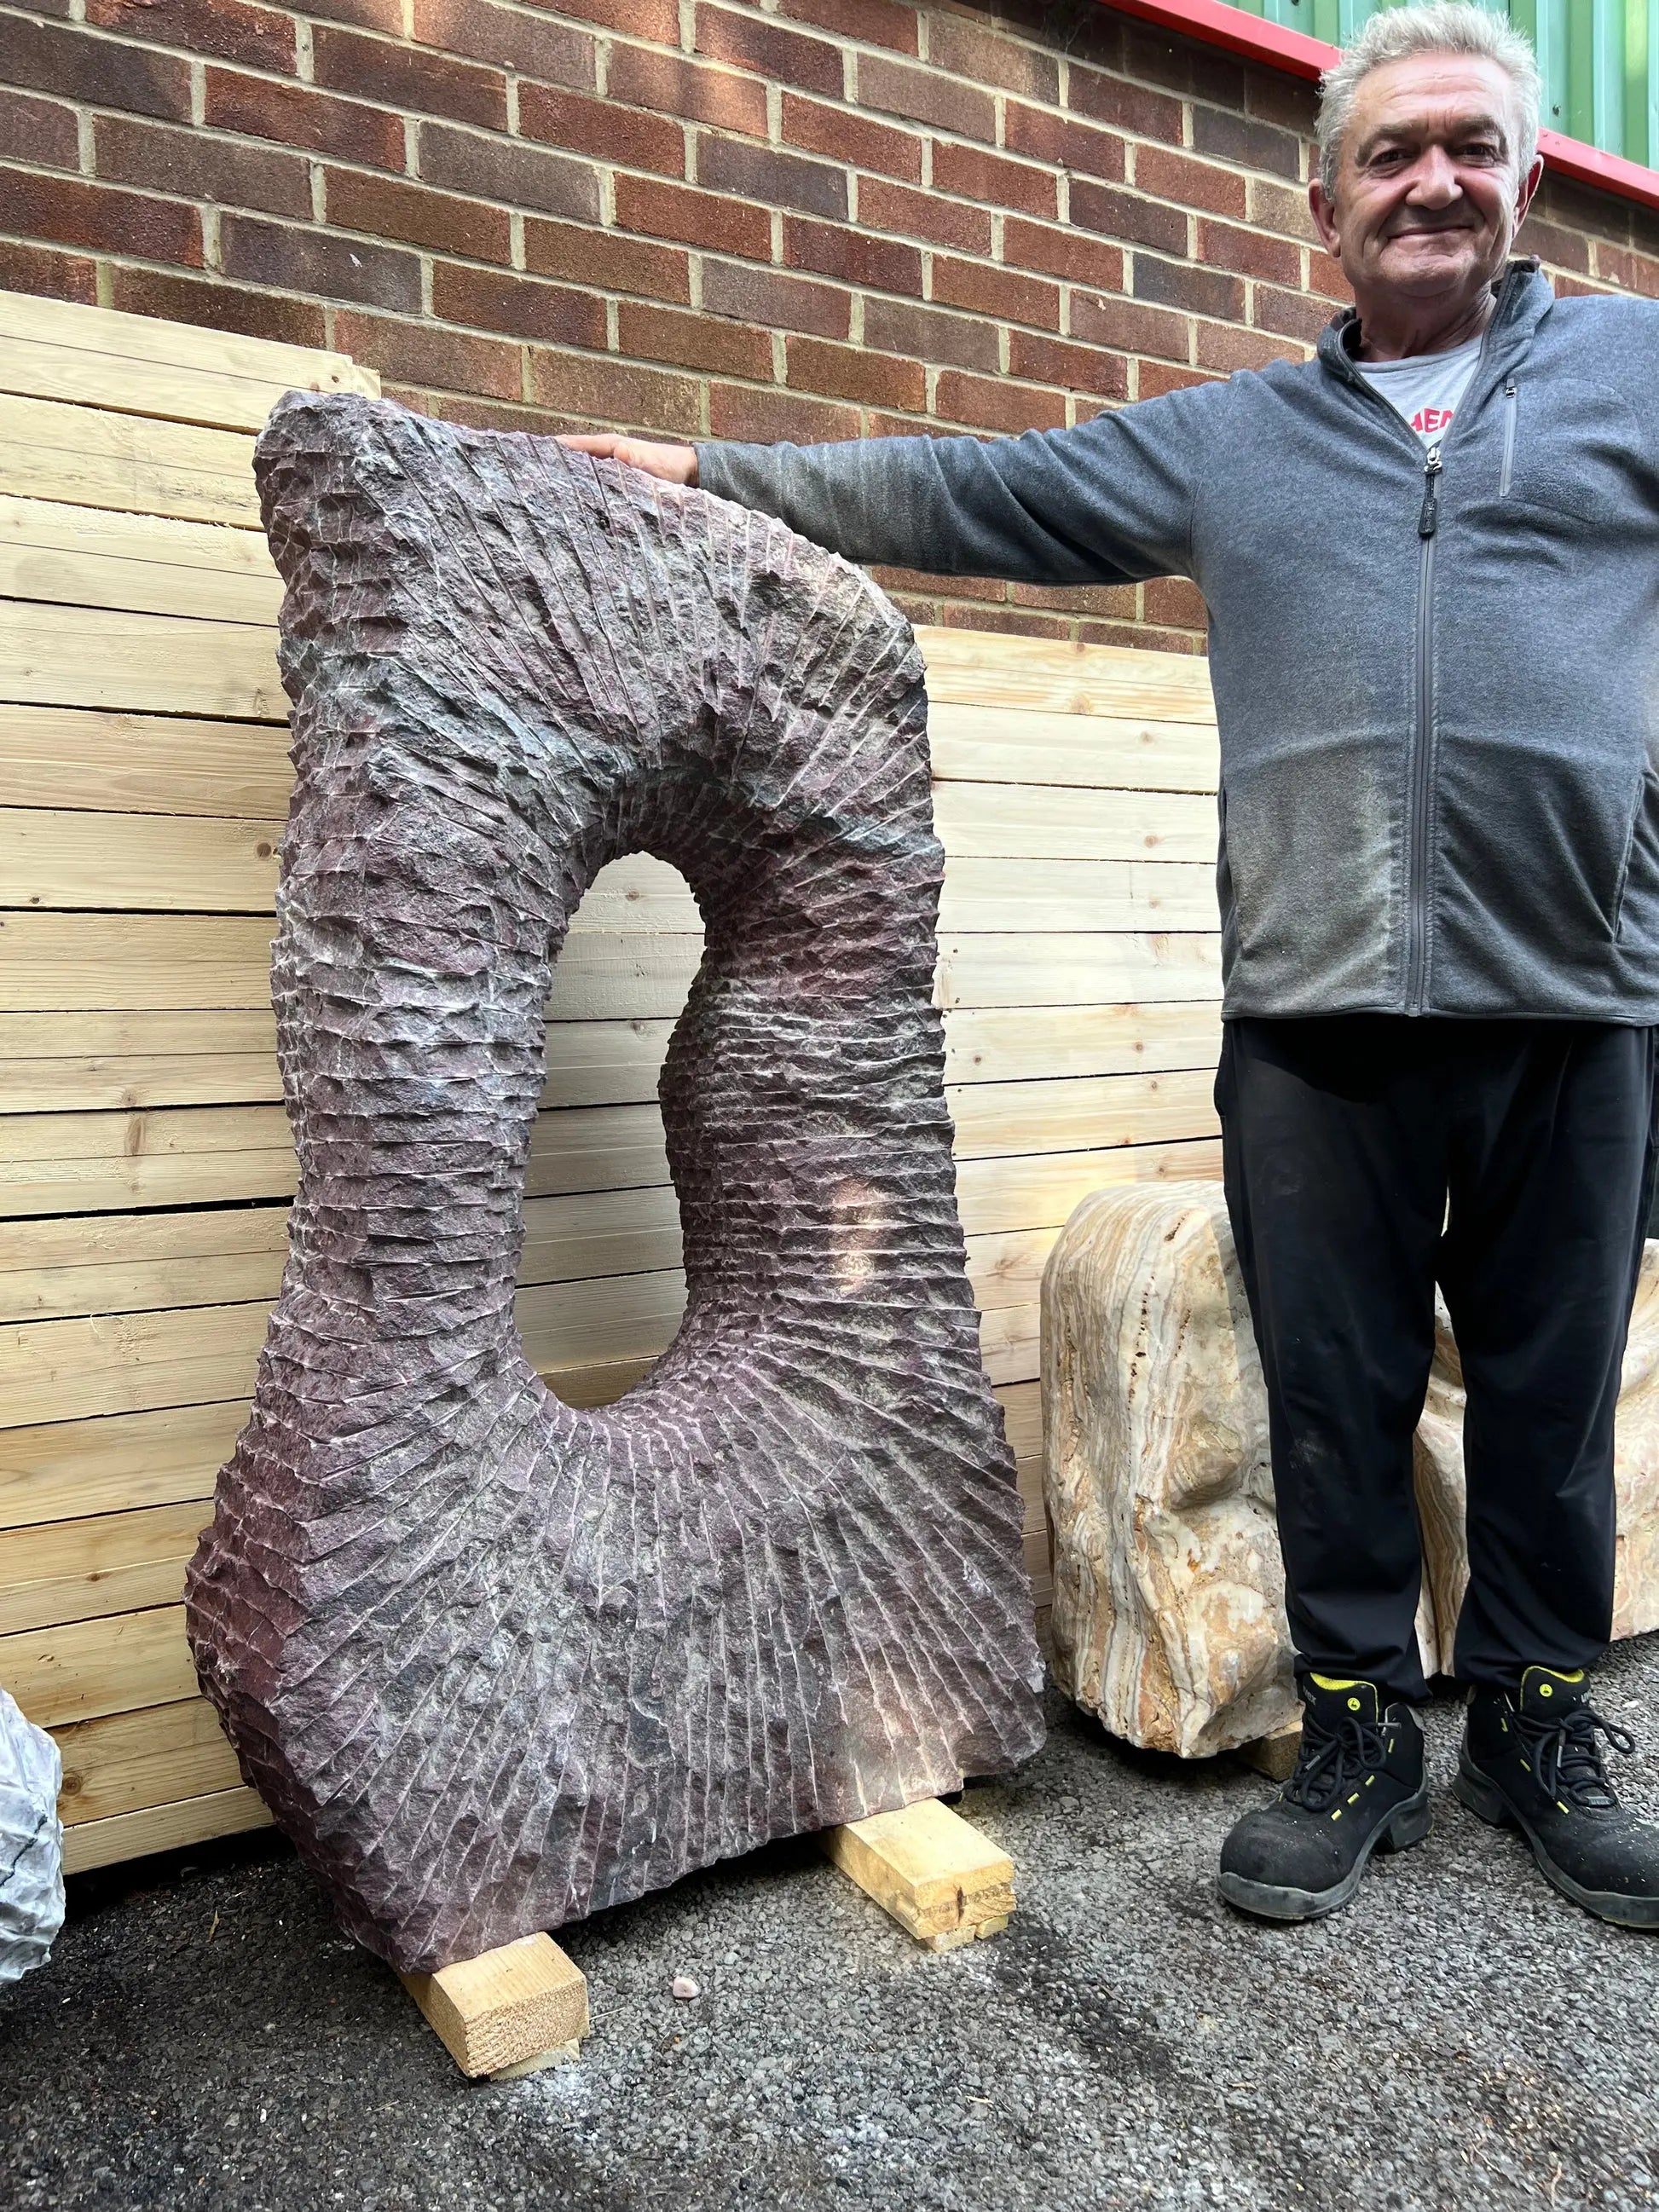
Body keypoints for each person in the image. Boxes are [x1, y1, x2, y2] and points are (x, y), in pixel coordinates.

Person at [562, 2, 1659, 1929]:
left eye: (1471, 146)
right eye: (1391, 153)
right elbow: (980, 491)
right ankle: (1356, 1730)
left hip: (1581, 996)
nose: (1433, 181)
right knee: (1329, 1394)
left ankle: (1536, 1724)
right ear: (1323, 206)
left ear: (1526, 179)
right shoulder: (1235, 440)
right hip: (1316, 1014)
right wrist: (710, 473)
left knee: (1552, 1398)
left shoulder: (1635, 372)